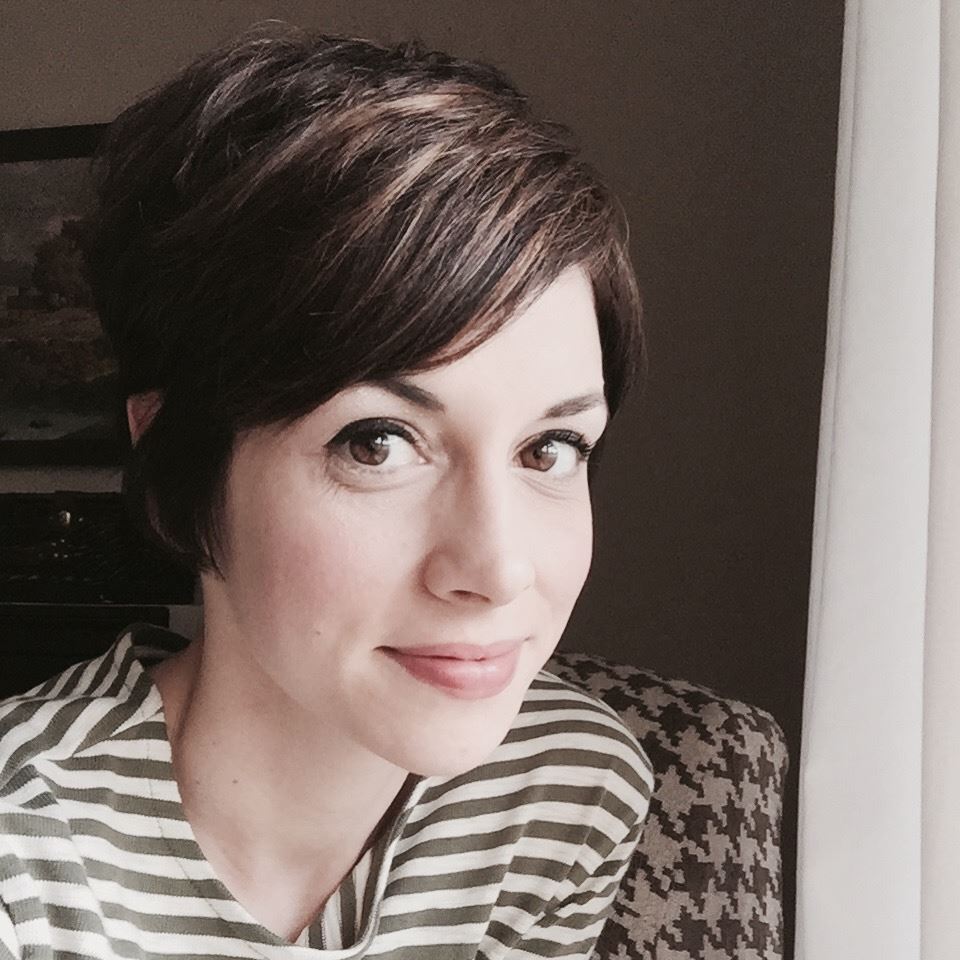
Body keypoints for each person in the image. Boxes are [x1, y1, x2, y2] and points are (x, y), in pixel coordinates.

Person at [0, 26, 653, 960]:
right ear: (181, 470)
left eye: (550, 448)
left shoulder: (565, 791)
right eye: (376, 443)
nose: (499, 569)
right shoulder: (25, 859)